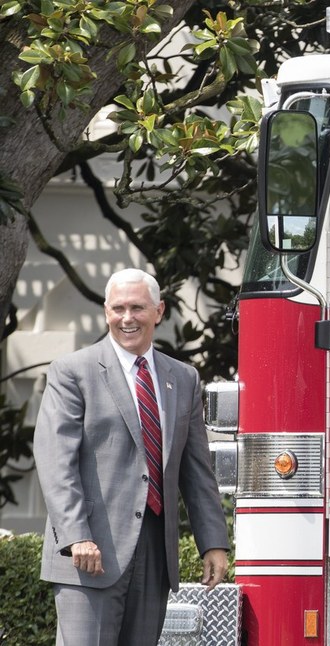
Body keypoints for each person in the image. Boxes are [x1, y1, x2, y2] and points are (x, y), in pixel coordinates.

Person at [34, 268, 230, 646]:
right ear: (106, 311)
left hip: (154, 554)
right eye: (118, 308)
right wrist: (77, 537)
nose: (127, 318)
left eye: (137, 308)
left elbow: (196, 469)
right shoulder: (72, 372)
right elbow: (56, 462)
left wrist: (213, 543)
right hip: (88, 555)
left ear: (159, 310)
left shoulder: (183, 377)